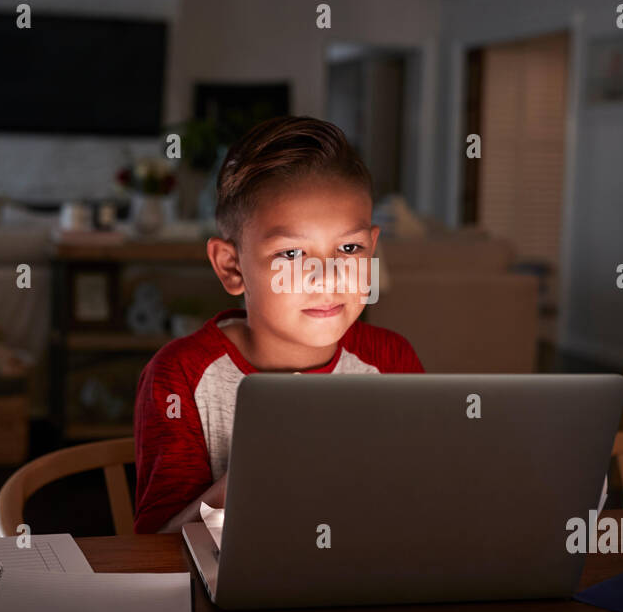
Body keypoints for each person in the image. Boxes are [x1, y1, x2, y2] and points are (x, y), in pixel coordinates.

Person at [131, 115, 424, 533]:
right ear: (231, 267)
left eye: (349, 247)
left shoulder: (392, 360)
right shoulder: (178, 377)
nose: (328, 277)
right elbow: (154, 549)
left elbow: (417, 507)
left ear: (372, 250)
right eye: (291, 254)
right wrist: (252, 476)